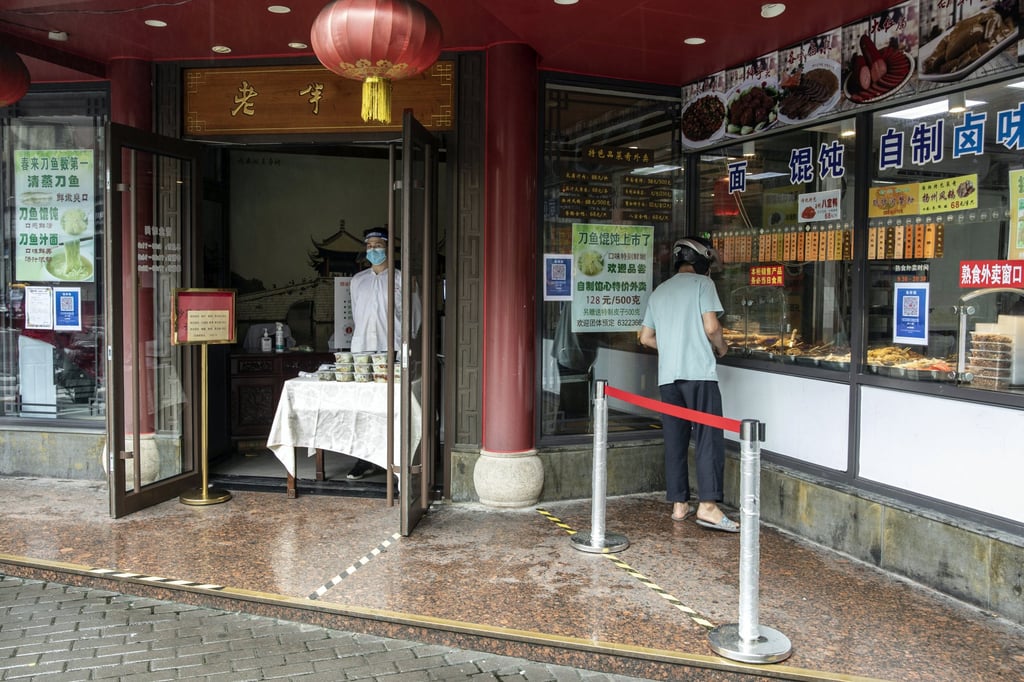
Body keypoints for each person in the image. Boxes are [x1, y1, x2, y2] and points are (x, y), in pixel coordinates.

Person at [638, 237, 737, 533]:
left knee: (675, 440)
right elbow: (712, 326)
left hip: (668, 378)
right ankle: (708, 506)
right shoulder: (703, 285)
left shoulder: (660, 291)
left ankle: (679, 504)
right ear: (701, 261)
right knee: (707, 437)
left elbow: (645, 337)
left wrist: (671, 346)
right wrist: (721, 347)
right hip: (699, 374)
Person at [345, 226, 404, 480]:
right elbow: (357, 314)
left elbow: (414, 316)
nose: (373, 250)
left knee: (393, 407)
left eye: (378, 246)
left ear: (389, 249)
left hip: (392, 349)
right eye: (369, 247)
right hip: (363, 352)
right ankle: (365, 459)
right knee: (365, 407)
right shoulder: (358, 281)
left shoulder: (401, 279)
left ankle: (394, 458)